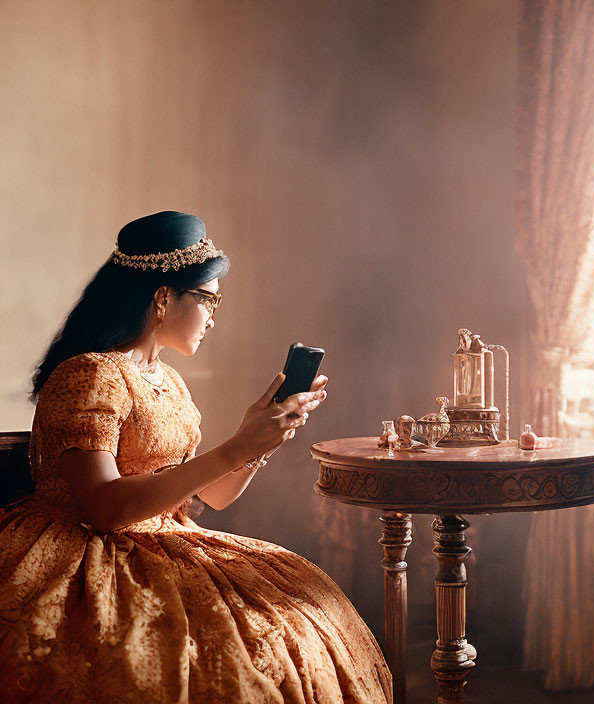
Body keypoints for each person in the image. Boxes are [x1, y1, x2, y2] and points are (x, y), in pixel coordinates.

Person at [0, 211, 392, 703]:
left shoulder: (168, 380)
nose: (213, 315)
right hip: (85, 552)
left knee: (304, 613)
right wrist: (235, 447)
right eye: (208, 298)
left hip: (167, 541)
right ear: (164, 296)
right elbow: (102, 509)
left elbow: (213, 496)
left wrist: (258, 441)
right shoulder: (91, 375)